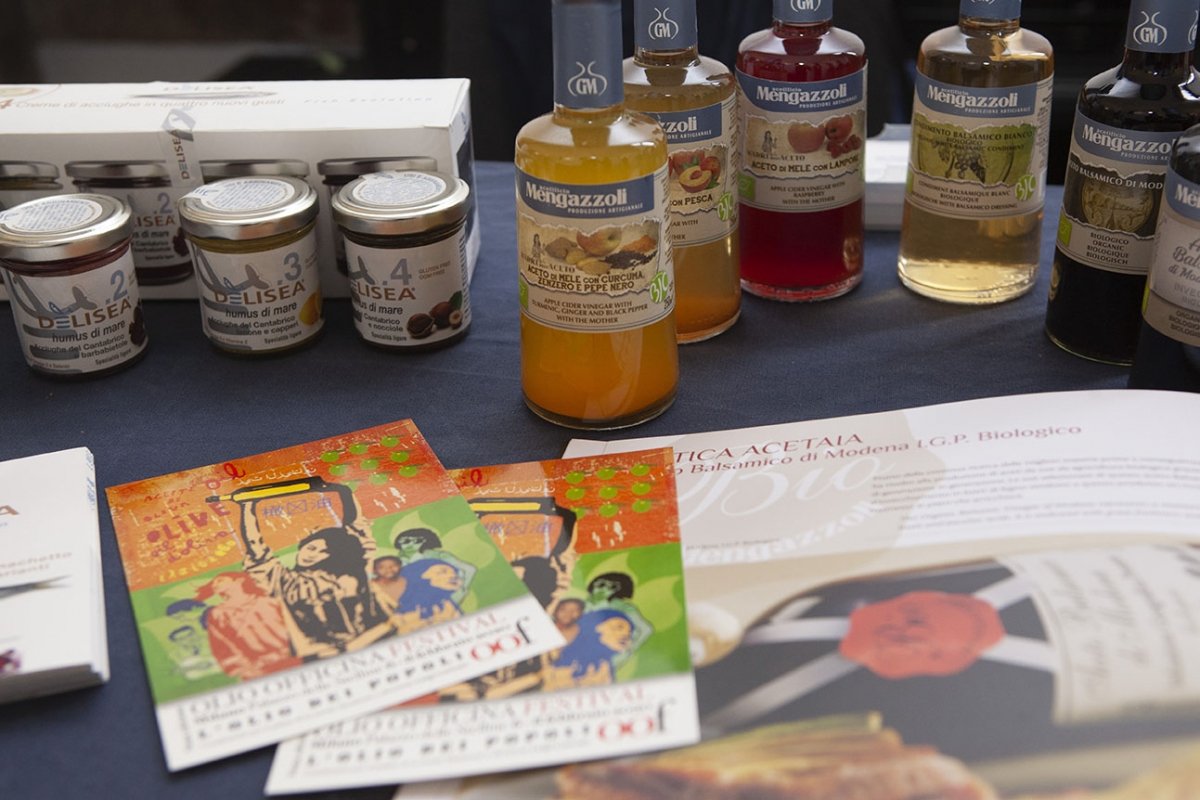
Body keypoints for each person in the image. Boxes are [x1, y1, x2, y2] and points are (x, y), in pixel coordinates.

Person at [231, 479, 394, 658]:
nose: (313, 554)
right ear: (302, 547)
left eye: (323, 552)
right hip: (325, 655)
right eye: (311, 548)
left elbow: (356, 526)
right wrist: (247, 507)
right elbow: (256, 547)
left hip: (380, 639)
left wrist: (344, 492)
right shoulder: (286, 581)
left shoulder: (351, 569)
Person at [195, 572, 302, 680]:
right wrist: (244, 669)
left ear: (239, 581)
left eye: (220, 580)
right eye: (213, 583)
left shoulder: (269, 602)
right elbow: (220, 644)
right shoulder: (217, 614)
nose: (215, 584)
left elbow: (297, 628)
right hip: (258, 670)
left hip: (293, 659)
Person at [544, 607, 635, 690]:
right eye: (619, 627)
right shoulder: (556, 652)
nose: (625, 635)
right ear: (597, 626)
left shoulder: (605, 669)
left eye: (629, 634)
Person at [393, 558, 465, 631]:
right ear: (421, 574)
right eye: (442, 572)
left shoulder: (448, 606)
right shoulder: (403, 608)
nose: (453, 576)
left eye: (455, 574)